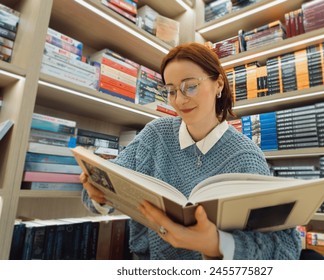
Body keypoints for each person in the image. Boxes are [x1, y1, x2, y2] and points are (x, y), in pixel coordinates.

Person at [80, 42, 301, 260]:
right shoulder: (155, 134)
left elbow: (285, 249)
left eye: (190, 86)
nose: (179, 100)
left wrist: (216, 244)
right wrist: (98, 193)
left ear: (219, 84)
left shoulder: (246, 158)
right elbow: (101, 191)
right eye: (171, 91)